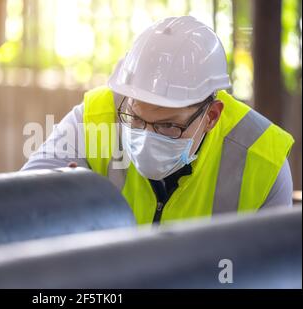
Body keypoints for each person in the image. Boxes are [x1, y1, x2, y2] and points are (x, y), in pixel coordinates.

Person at [22, 16, 294, 225]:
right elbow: (19, 209)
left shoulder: (262, 162)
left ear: (211, 116)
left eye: (168, 126)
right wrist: (57, 202)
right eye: (135, 119)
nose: (145, 138)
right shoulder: (97, 116)